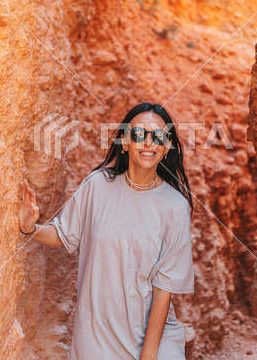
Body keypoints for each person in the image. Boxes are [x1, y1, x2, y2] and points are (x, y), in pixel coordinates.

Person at [18, 102, 195, 360]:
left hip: (153, 336)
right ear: (124, 142)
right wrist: (29, 227)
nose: (148, 143)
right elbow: (63, 234)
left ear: (166, 147)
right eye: (138, 135)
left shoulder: (175, 207)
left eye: (158, 136)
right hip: (95, 336)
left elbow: (164, 288)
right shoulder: (98, 185)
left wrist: (149, 353)